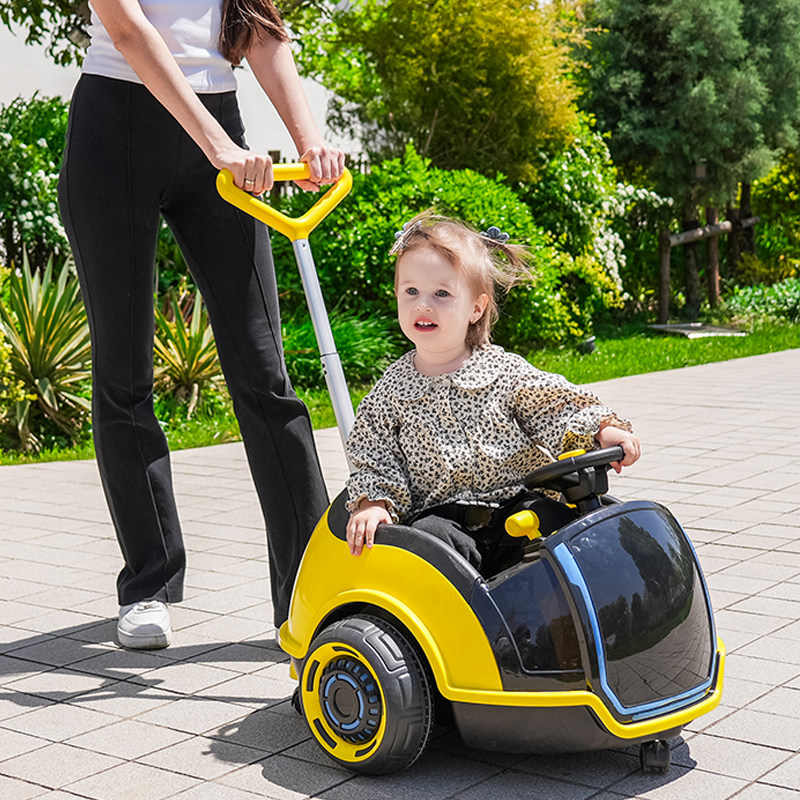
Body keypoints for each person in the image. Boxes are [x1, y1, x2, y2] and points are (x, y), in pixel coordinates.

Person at [58, 0, 345, 649]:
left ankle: (311, 588)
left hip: (219, 123)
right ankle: (149, 585)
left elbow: (261, 30)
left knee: (264, 372)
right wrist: (216, 144)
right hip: (116, 130)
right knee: (125, 377)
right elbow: (128, 29)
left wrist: (308, 141)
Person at [345, 213, 641, 574]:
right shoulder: (389, 392)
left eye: (441, 293)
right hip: (444, 519)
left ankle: (569, 614)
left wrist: (601, 430)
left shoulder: (503, 372)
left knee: (569, 530)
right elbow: (373, 453)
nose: (423, 304)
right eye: (411, 292)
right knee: (426, 544)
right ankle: (458, 622)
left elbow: (552, 406)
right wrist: (374, 502)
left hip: (518, 507)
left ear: (476, 308)